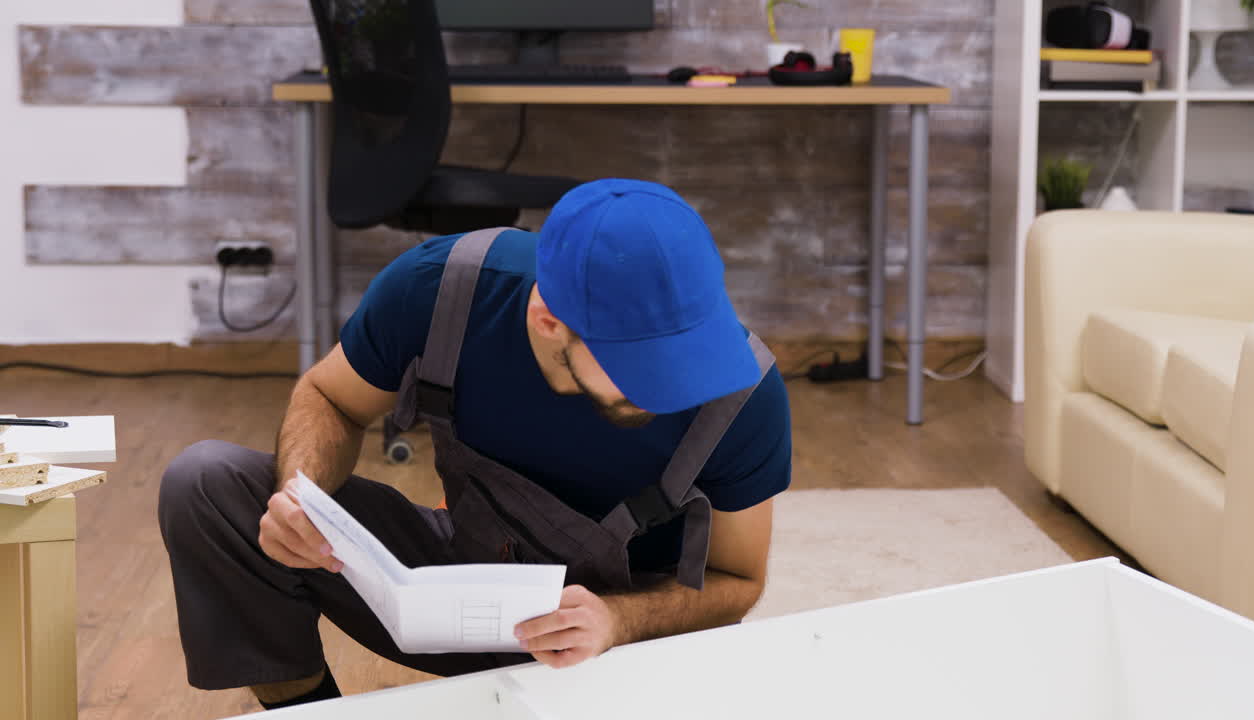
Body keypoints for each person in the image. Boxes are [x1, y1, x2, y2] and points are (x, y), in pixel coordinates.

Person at [158, 179, 792, 710]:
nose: (679, 383)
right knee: (208, 483)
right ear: (549, 321)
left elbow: (737, 580)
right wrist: (301, 501)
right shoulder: (442, 291)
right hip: (461, 585)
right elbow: (331, 398)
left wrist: (619, 621)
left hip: (613, 647)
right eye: (645, 364)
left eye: (688, 349)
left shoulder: (742, 392)